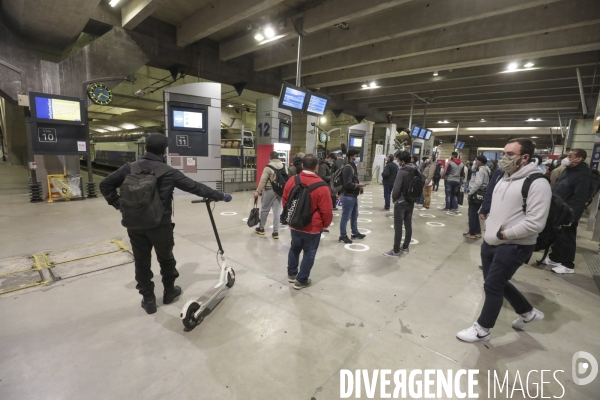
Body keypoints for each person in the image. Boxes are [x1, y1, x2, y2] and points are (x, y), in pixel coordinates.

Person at [99, 133, 232, 314]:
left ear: (145, 148)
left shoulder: (129, 168)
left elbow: (105, 185)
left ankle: (148, 300)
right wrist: (221, 196)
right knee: (166, 258)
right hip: (160, 224)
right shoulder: (168, 172)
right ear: (164, 151)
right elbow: (195, 187)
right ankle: (169, 291)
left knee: (141, 262)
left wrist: (120, 206)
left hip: (135, 224)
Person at [457, 138, 551, 342]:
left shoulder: (538, 183)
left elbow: (536, 223)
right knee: (496, 282)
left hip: (513, 245)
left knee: (492, 286)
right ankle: (527, 312)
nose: (503, 158)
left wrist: (504, 235)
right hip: (491, 241)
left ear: (525, 157)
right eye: (503, 153)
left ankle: (483, 329)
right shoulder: (503, 177)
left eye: (510, 154)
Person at [282, 154, 333, 289]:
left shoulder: (292, 180)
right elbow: (327, 211)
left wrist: (291, 216)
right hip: (313, 227)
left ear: (302, 165)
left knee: (294, 248)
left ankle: (292, 274)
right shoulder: (322, 186)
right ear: (316, 167)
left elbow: (285, 201)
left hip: (294, 224)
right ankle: (301, 280)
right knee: (309, 252)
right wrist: (324, 224)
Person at [544, 149, 591, 274]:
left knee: (567, 237)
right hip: (559, 208)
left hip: (568, 211)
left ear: (578, 159)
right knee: (558, 235)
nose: (566, 158)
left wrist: (571, 216)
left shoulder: (583, 174)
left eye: (570, 156)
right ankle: (555, 258)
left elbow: (579, 198)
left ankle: (567, 265)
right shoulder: (569, 170)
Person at [383, 151, 417, 257]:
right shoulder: (415, 169)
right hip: (410, 201)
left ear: (402, 161)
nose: (397, 162)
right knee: (408, 224)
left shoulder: (402, 171)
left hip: (401, 201)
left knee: (398, 227)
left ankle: (396, 251)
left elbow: (396, 188)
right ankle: (405, 247)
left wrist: (394, 198)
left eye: (398, 160)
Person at [254, 151, 286, 239]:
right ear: (278, 157)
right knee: (277, 211)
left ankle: (261, 228)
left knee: (264, 209)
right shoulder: (283, 166)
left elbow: (263, 181)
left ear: (270, 157)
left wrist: (257, 192)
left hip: (269, 190)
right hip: (279, 191)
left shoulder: (268, 167)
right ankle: (276, 232)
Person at [339, 149, 366, 244]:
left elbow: (354, 180)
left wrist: (359, 187)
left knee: (355, 215)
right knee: (345, 217)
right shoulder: (347, 167)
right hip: (347, 196)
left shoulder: (352, 166)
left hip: (353, 195)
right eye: (356, 155)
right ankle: (342, 235)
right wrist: (357, 186)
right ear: (351, 156)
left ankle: (354, 233)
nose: (358, 157)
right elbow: (347, 183)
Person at [464, 155, 491, 239]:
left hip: (476, 193)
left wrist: (470, 192)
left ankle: (471, 233)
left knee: (471, 213)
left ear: (480, 162)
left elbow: (478, 183)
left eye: (476, 160)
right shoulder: (487, 169)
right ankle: (477, 232)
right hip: (482, 192)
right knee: (475, 213)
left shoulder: (480, 170)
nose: (475, 162)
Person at [317, 155, 333, 232]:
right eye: (331, 159)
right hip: (324, 186)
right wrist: (332, 177)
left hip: (324, 186)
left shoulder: (325, 164)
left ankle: (322, 225)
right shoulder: (323, 165)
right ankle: (322, 226)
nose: (331, 161)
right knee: (322, 206)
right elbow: (322, 176)